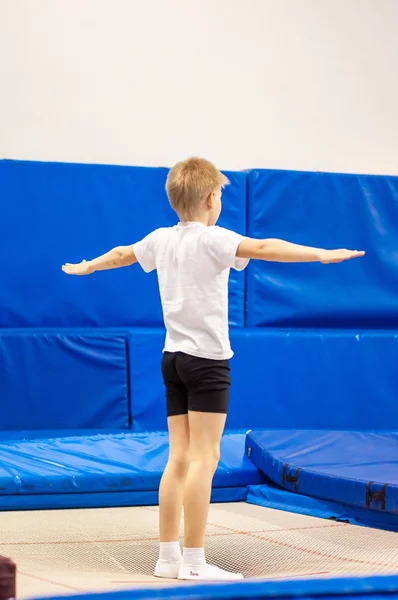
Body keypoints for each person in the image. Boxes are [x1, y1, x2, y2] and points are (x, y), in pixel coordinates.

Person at [62, 157, 364, 581]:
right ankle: (195, 561)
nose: (220, 201)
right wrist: (318, 254)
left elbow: (121, 254)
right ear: (209, 199)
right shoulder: (213, 239)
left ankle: (167, 557)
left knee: (178, 458)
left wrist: (88, 266)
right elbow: (263, 247)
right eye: (220, 194)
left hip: (173, 360)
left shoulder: (160, 239)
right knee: (205, 457)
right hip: (206, 361)